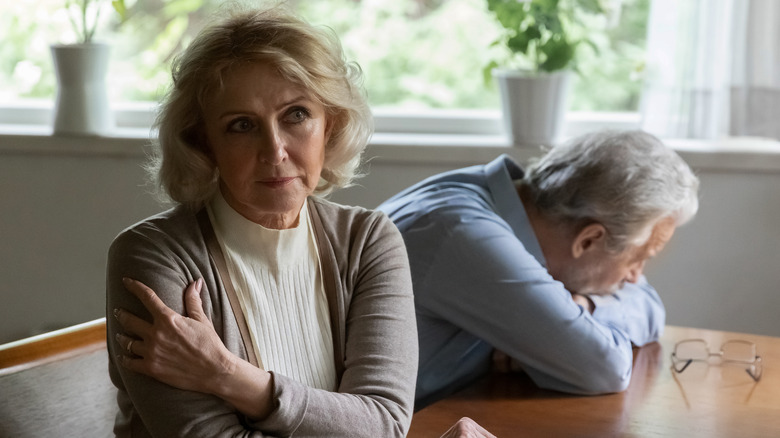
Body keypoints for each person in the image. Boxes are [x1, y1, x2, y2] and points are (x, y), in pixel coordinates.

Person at [106, 6, 419, 437]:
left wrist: (226, 373)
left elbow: (384, 423)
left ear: (330, 124)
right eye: (241, 125)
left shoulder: (368, 242)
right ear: (204, 143)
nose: (274, 151)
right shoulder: (154, 256)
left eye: (296, 114)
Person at [378, 130, 700, 408]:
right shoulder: (463, 232)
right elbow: (605, 369)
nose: (635, 276)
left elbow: (650, 305)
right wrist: (570, 336)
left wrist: (587, 307)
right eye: (637, 259)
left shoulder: (509, 203)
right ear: (589, 240)